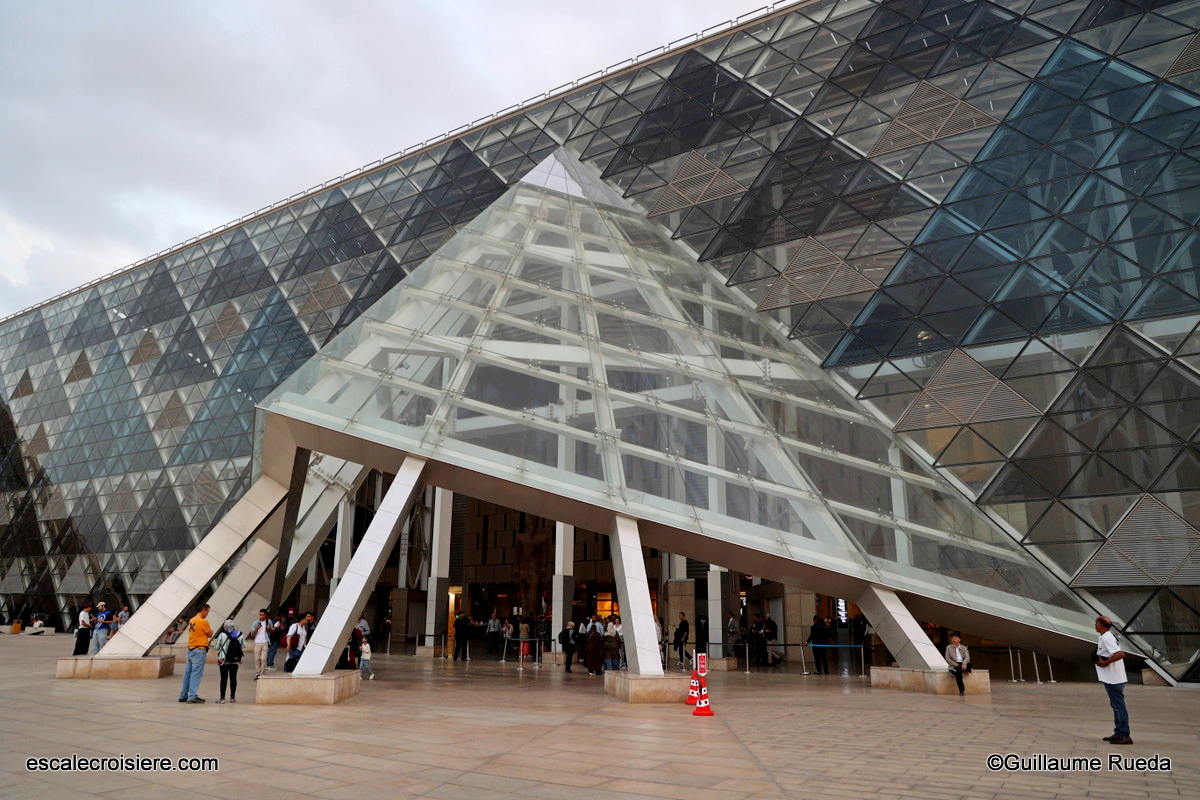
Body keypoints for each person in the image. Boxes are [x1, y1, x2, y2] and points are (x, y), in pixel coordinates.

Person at [1095, 616, 1132, 745]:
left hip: (1113, 678)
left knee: (1119, 706)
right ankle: (1119, 732)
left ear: (1101, 625)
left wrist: (1106, 663)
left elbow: (1120, 654)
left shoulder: (1107, 637)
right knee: (1116, 705)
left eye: (1096, 623)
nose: (1095, 625)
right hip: (1112, 677)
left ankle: (1124, 735)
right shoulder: (1106, 636)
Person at [178, 604, 213, 704]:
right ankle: (192, 696)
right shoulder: (203, 621)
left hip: (191, 649)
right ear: (203, 610)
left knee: (187, 673)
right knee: (196, 673)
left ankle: (183, 695)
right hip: (199, 649)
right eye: (207, 611)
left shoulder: (192, 620)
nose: (207, 614)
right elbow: (210, 634)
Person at [212, 619, 243, 704]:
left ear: (225, 626)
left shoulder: (222, 635)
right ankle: (232, 698)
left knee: (223, 678)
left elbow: (216, 647)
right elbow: (243, 646)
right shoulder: (239, 634)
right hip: (235, 660)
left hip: (223, 660)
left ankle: (222, 698)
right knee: (233, 678)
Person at [249, 609, 273, 679]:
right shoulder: (255, 623)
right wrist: (257, 628)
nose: (261, 616)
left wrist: (269, 629)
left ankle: (262, 674)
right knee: (257, 659)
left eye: (263, 615)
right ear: (259, 614)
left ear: (266, 615)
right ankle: (257, 673)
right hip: (257, 643)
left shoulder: (269, 622)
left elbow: (272, 631)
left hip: (265, 642)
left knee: (263, 659)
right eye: (260, 615)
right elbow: (252, 635)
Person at [944, 631, 971, 696]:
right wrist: (956, 664)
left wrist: (964, 663)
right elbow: (947, 658)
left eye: (955, 637)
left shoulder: (964, 647)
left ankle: (954, 671)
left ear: (959, 639)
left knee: (957, 671)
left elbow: (967, 657)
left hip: (965, 665)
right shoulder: (948, 647)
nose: (953, 639)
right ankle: (961, 690)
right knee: (959, 672)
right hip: (955, 664)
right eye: (952, 638)